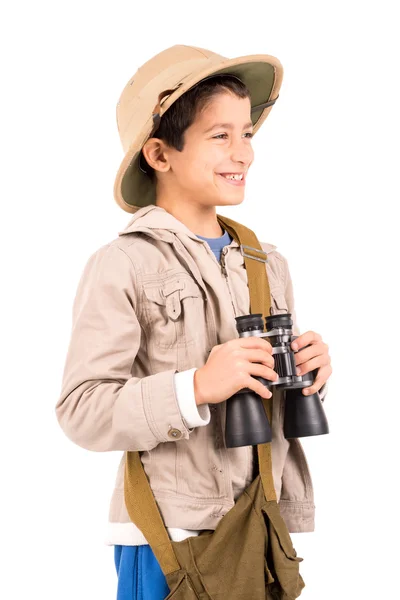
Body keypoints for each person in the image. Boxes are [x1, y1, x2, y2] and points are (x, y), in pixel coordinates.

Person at [55, 45, 332, 600]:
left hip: (260, 525)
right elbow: (80, 408)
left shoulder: (264, 262)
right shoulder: (125, 262)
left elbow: (267, 398)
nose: (243, 153)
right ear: (160, 154)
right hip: (169, 535)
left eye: (246, 133)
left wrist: (310, 372)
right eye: (219, 136)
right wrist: (197, 387)